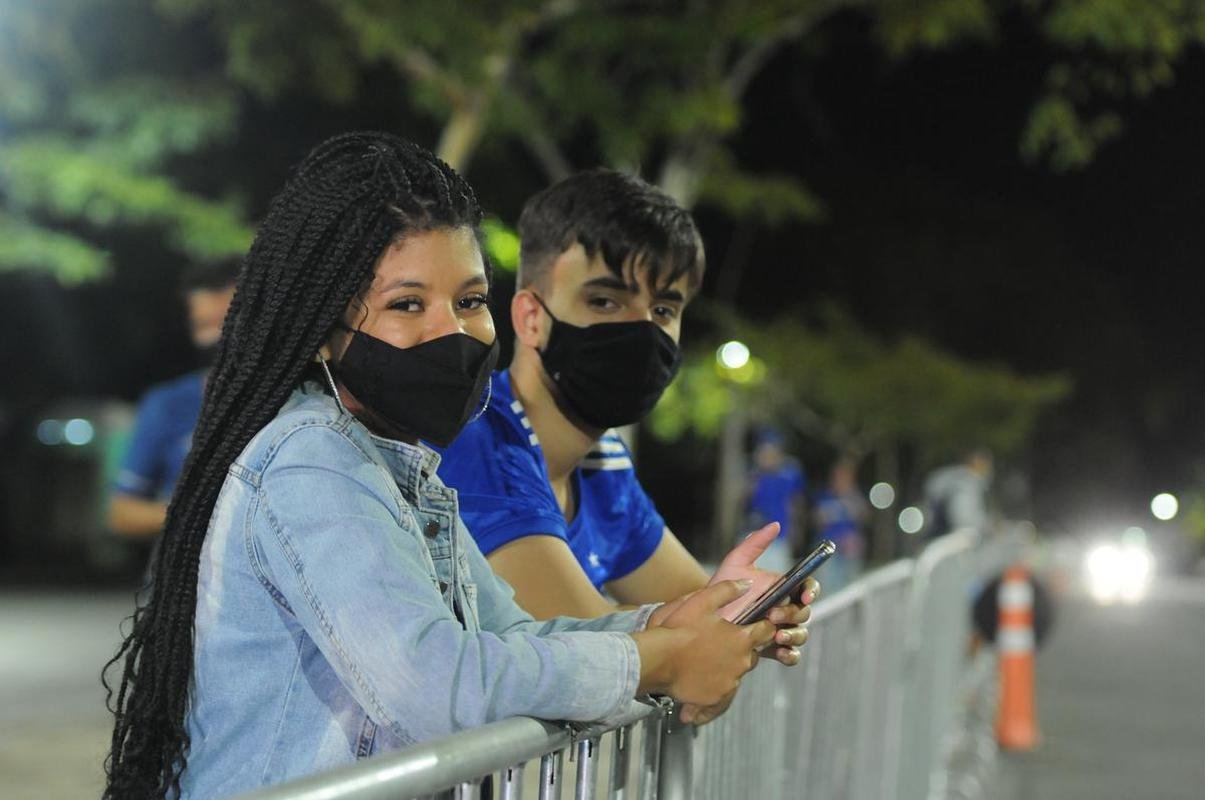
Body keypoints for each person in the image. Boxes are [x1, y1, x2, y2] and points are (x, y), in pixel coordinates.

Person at [102, 133, 803, 800]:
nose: (454, 331)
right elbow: (435, 686)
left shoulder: (395, 464)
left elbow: (512, 635)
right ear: (326, 326)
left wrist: (682, 619)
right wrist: (664, 660)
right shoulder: (310, 462)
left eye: (469, 301)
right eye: (407, 304)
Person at [437, 170, 820, 622]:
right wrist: (713, 627)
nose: (641, 331)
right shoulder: (479, 443)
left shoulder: (602, 462)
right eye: (605, 302)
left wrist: (744, 606)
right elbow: (595, 661)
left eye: (663, 309)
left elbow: (692, 617)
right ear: (531, 317)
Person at [107, 260, 239, 539]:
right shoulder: (167, 404)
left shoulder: (293, 401)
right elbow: (121, 513)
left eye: (225, 322)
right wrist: (206, 513)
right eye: (204, 324)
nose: (214, 336)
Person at [746, 430, 808, 574]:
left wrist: (797, 529)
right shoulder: (754, 475)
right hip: (754, 535)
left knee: (778, 580)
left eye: (771, 451)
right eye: (763, 452)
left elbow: (796, 503)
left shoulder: (789, 474)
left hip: (780, 537)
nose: (767, 456)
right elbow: (744, 502)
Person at [811, 457, 870, 593]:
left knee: (850, 588)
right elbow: (816, 520)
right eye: (837, 477)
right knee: (829, 589)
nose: (840, 480)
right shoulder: (825, 497)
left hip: (849, 552)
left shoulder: (855, 497)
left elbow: (865, 517)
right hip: (829, 553)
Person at [922, 448, 994, 539]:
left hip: (945, 528)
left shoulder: (955, 476)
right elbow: (965, 516)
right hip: (960, 531)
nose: (987, 469)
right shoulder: (969, 481)